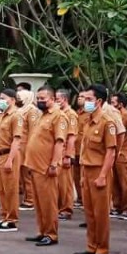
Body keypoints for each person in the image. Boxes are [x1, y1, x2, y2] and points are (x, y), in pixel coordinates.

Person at [75, 84, 121, 254]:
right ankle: (91, 246)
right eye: (84, 98)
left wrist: (103, 175)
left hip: (99, 170)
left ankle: (102, 249)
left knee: (101, 213)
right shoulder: (88, 120)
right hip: (87, 169)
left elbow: (111, 152)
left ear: (99, 101)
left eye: (89, 99)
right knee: (89, 211)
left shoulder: (107, 122)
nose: (85, 102)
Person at [23, 87, 67, 247]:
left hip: (46, 167)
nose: (40, 101)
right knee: (39, 202)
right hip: (35, 165)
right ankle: (42, 231)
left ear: (53, 99)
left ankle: (51, 234)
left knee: (48, 202)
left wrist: (54, 164)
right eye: (38, 98)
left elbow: (59, 142)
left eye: (43, 98)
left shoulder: (58, 117)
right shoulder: (42, 116)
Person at [0, 89, 21, 232]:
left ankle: (12, 219)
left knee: (10, 189)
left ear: (13, 100)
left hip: (10, 155)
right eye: (0, 98)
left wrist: (10, 159)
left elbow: (16, 139)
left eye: (4, 98)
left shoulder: (16, 116)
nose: (1, 101)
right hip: (0, 154)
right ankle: (4, 216)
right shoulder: (2, 115)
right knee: (1, 189)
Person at [15, 88, 43, 213]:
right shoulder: (21, 110)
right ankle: (27, 197)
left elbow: (33, 131)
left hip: (27, 146)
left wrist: (31, 149)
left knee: (27, 175)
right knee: (22, 174)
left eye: (20, 98)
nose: (18, 100)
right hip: (20, 146)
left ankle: (30, 199)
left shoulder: (32, 111)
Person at [109, 93, 127, 221]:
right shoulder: (113, 115)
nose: (111, 104)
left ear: (120, 104)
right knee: (115, 182)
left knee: (125, 183)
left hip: (124, 153)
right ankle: (117, 206)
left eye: (113, 102)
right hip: (114, 152)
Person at [55, 90, 80, 221]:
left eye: (57, 99)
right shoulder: (59, 114)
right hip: (58, 153)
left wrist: (68, 156)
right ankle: (60, 207)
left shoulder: (71, 115)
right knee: (59, 184)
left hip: (65, 152)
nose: (55, 101)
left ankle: (66, 209)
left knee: (66, 184)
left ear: (64, 99)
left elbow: (72, 137)